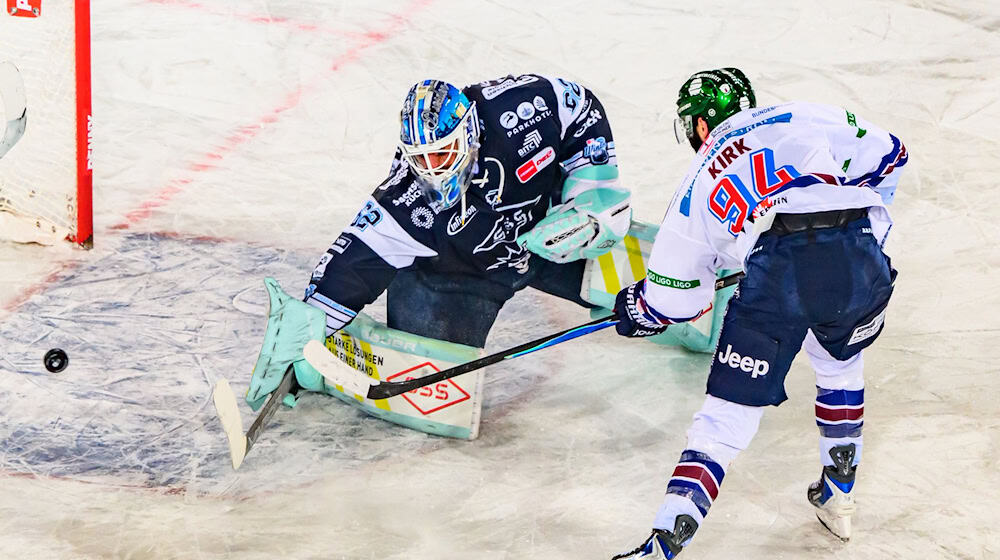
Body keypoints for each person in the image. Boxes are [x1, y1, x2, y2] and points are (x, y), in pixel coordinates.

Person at [611, 68, 907, 558]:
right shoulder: (804, 115)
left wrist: (639, 310)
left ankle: (663, 542)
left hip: (778, 279)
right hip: (858, 259)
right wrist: (861, 243)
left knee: (724, 421)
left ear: (701, 126)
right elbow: (891, 153)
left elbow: (678, 302)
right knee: (839, 362)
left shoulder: (696, 182)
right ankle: (840, 495)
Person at [303, 75, 631, 350]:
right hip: (462, 279)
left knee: (636, 271)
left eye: (442, 153)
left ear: (469, 131)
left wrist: (589, 193)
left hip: (548, 230)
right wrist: (306, 331)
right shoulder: (406, 196)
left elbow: (577, 104)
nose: (433, 171)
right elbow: (351, 265)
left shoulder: (517, 114)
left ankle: (666, 297)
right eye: (422, 158)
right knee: (425, 381)